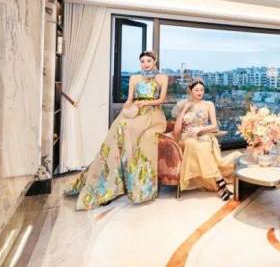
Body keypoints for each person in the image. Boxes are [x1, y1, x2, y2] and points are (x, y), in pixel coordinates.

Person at [65, 51, 168, 210]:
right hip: (136, 111)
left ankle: (135, 184)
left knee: (126, 128)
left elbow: (161, 100)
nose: (145, 64)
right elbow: (129, 99)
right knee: (119, 130)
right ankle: (109, 180)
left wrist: (146, 103)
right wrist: (128, 105)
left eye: (149, 60)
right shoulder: (134, 78)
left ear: (155, 61)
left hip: (153, 114)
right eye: (142, 61)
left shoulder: (162, 77)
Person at [175, 79, 241, 201]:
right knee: (192, 144)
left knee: (203, 146)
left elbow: (214, 126)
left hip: (203, 135)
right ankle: (219, 180)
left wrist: (200, 129)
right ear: (190, 91)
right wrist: (184, 109)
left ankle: (218, 182)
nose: (199, 92)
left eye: (202, 90)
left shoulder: (209, 104)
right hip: (187, 138)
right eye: (196, 90)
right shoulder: (183, 104)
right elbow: (176, 131)